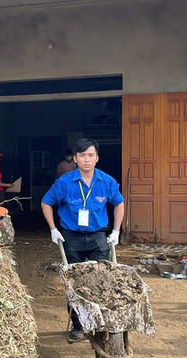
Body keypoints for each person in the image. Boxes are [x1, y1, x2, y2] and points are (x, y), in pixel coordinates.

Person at [41, 138, 125, 342]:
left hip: (98, 237)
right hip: (72, 238)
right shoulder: (65, 182)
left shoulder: (106, 181)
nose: (86, 159)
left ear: (97, 158)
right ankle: (78, 324)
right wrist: (53, 229)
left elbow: (119, 203)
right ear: (75, 159)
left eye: (90, 155)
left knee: (102, 279)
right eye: (82, 155)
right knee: (75, 282)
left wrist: (116, 231)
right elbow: (46, 202)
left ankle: (101, 319)